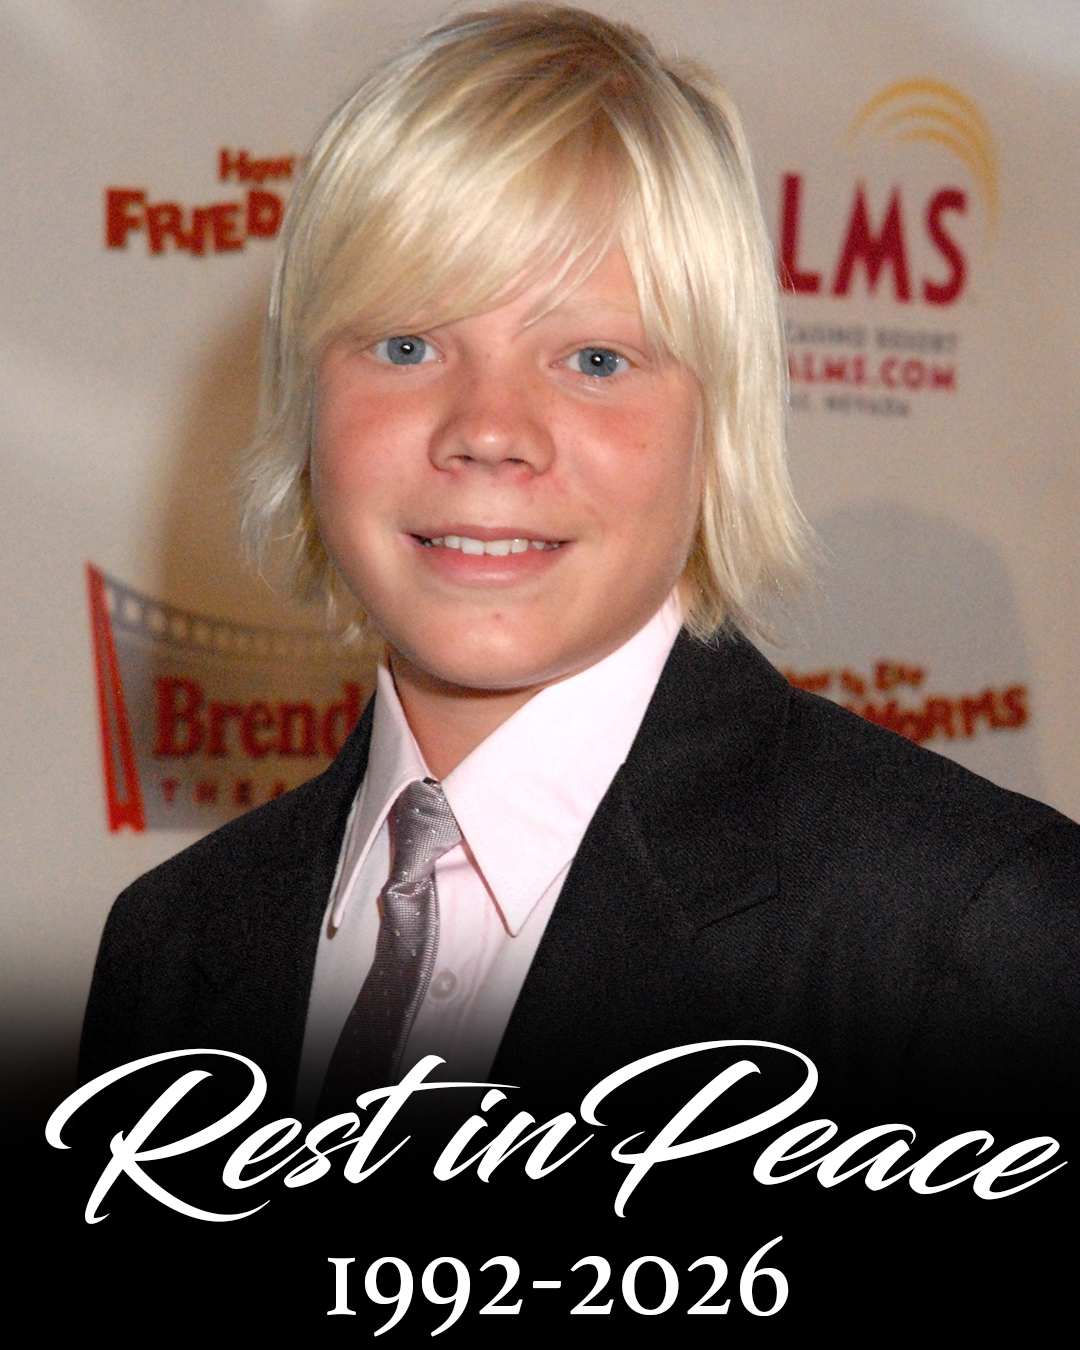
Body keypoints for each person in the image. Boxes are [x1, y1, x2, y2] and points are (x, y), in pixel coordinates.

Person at [79, 4, 1079, 1137]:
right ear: (309, 400)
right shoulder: (169, 949)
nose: (487, 429)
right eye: (407, 345)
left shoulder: (973, 932)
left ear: (721, 425)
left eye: (595, 359)